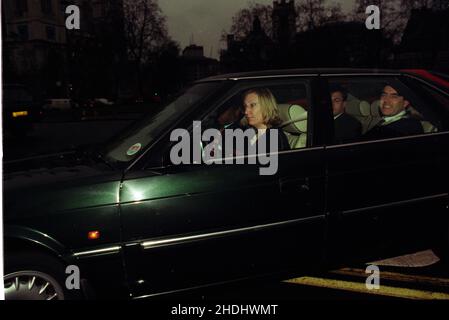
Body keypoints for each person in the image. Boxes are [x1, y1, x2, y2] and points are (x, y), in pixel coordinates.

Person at [240, 88, 290, 153]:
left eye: (252, 105)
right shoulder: (252, 132)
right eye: (245, 106)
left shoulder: (273, 139)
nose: (246, 112)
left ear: (266, 107)